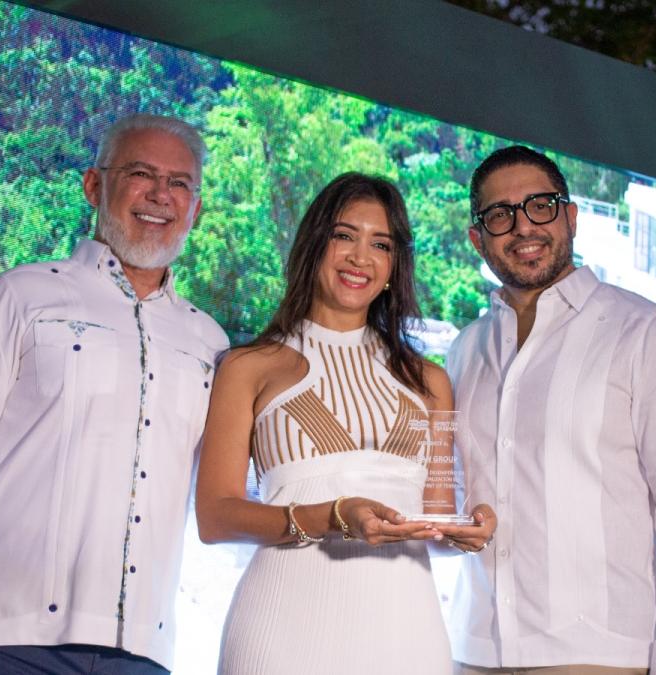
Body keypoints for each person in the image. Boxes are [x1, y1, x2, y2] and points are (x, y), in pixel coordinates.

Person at [0, 113, 229, 674]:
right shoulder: (16, 298)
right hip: (2, 642)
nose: (159, 195)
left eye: (179, 183)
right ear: (94, 185)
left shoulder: (210, 343)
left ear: (196, 209)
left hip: (143, 657)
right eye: (140, 173)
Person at [195, 172, 496, 675]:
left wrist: (468, 529)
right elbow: (215, 518)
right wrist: (334, 516)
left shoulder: (429, 382)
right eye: (344, 236)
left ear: (394, 264)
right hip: (281, 632)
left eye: (380, 244)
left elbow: (436, 523)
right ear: (314, 243)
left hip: (406, 637)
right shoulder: (249, 367)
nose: (361, 257)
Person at [446, 146, 656, 675]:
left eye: (541, 205)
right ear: (477, 238)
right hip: (475, 649)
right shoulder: (464, 350)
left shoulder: (645, 333)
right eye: (500, 214)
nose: (523, 226)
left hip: (599, 655)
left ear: (571, 217)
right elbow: (455, 498)